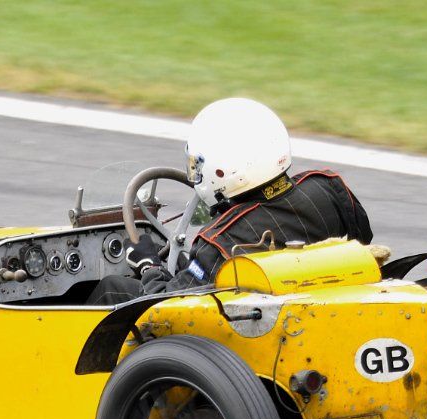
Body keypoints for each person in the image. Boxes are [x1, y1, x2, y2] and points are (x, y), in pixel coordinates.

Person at [106, 98, 373, 300]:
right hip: (333, 303)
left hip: (244, 341)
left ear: (223, 170)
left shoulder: (219, 241)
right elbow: (364, 247)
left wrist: (150, 265)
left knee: (111, 289)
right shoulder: (329, 188)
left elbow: (166, 305)